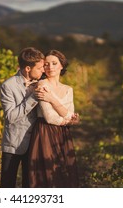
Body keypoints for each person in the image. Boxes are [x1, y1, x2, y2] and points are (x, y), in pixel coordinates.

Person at [28, 49, 80, 187]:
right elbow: (50, 117)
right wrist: (69, 120)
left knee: (64, 173)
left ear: (61, 66)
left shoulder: (68, 89)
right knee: (48, 175)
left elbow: (71, 113)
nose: (50, 67)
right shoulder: (42, 85)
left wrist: (52, 99)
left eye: (54, 63)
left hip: (63, 134)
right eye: (46, 64)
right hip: (45, 133)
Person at [0, 47, 45, 187]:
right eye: (39, 68)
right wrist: (33, 98)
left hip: (35, 144)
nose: (43, 71)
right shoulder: (8, 86)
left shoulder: (43, 82)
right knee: (7, 185)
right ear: (27, 68)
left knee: (30, 185)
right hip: (13, 144)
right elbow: (11, 116)